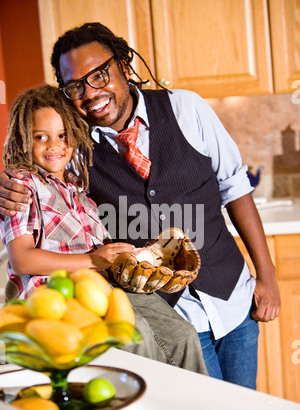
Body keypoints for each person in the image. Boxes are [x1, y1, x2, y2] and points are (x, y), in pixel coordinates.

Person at [0, 22, 280, 389]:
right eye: (75, 86)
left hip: (233, 297)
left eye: (100, 75)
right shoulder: (74, 146)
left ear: (124, 67)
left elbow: (235, 187)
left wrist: (268, 274)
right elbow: (36, 173)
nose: (90, 92)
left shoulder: (185, 109)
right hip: (168, 311)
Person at [0, 83, 207, 375]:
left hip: (102, 284)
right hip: (56, 294)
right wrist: (94, 260)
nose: (54, 145)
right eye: (40, 137)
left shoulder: (77, 186)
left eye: (62, 135)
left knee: (182, 333)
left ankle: (193, 408)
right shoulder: (22, 185)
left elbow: (95, 248)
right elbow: (22, 258)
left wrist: (128, 257)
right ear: (23, 140)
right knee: (135, 337)